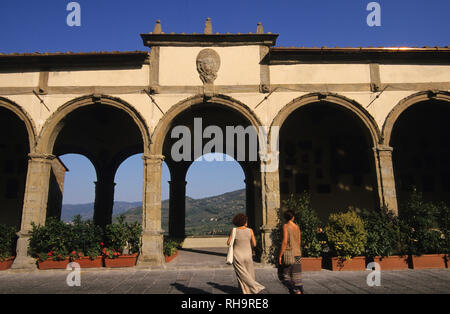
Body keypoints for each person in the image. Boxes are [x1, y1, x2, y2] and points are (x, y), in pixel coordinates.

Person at [227, 213, 265, 294]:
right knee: (249, 273)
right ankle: (249, 290)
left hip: (237, 255)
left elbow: (228, 242)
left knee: (241, 274)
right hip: (248, 254)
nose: (247, 222)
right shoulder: (250, 230)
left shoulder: (234, 230)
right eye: (246, 220)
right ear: (244, 221)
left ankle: (251, 288)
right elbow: (254, 244)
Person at [278, 209, 304, 294]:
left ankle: (296, 291)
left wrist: (280, 255)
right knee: (296, 278)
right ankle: (298, 291)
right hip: (297, 254)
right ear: (293, 217)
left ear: (285, 218)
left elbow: (285, 241)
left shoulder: (286, 226)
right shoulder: (297, 227)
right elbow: (299, 241)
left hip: (289, 254)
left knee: (283, 276)